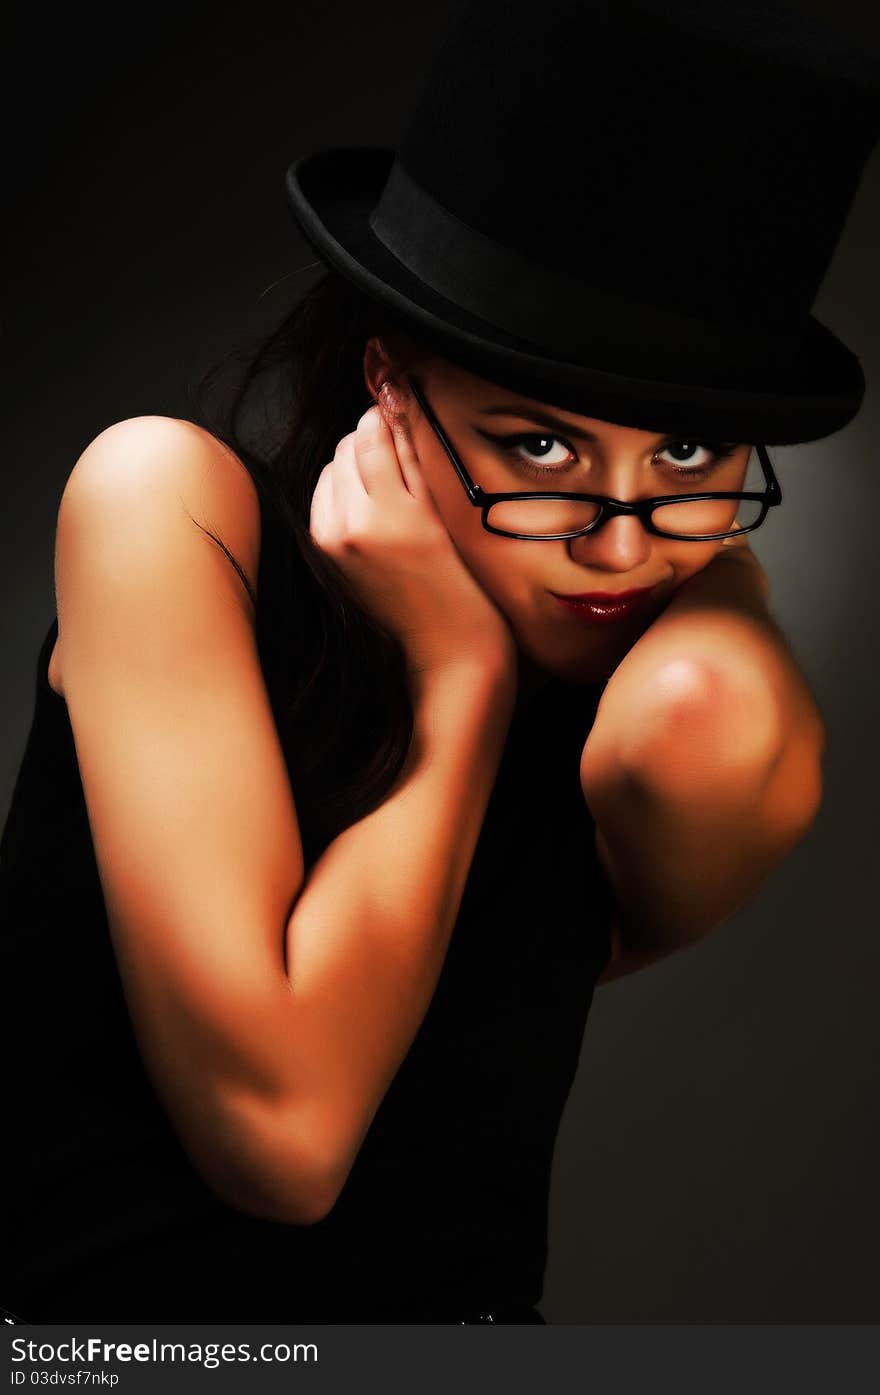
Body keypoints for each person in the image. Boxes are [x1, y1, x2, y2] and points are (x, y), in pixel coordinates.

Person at [1, 0, 877, 1324]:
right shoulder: (166, 509)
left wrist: (728, 584)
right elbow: (283, 1144)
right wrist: (456, 682)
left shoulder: (664, 679)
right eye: (538, 446)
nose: (615, 543)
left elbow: (706, 741)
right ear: (387, 383)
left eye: (690, 453)